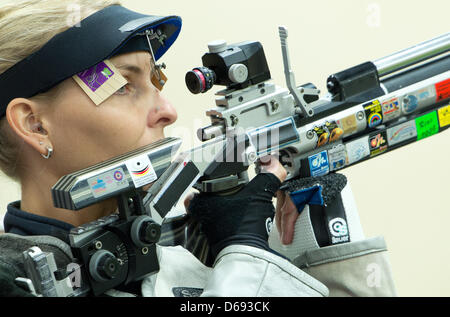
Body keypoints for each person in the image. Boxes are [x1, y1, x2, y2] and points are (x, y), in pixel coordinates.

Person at [0, 0, 396, 297]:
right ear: (34, 125)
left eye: (158, 82)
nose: (168, 111)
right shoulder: (15, 281)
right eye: (124, 86)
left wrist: (320, 233)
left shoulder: (175, 248)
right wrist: (244, 255)